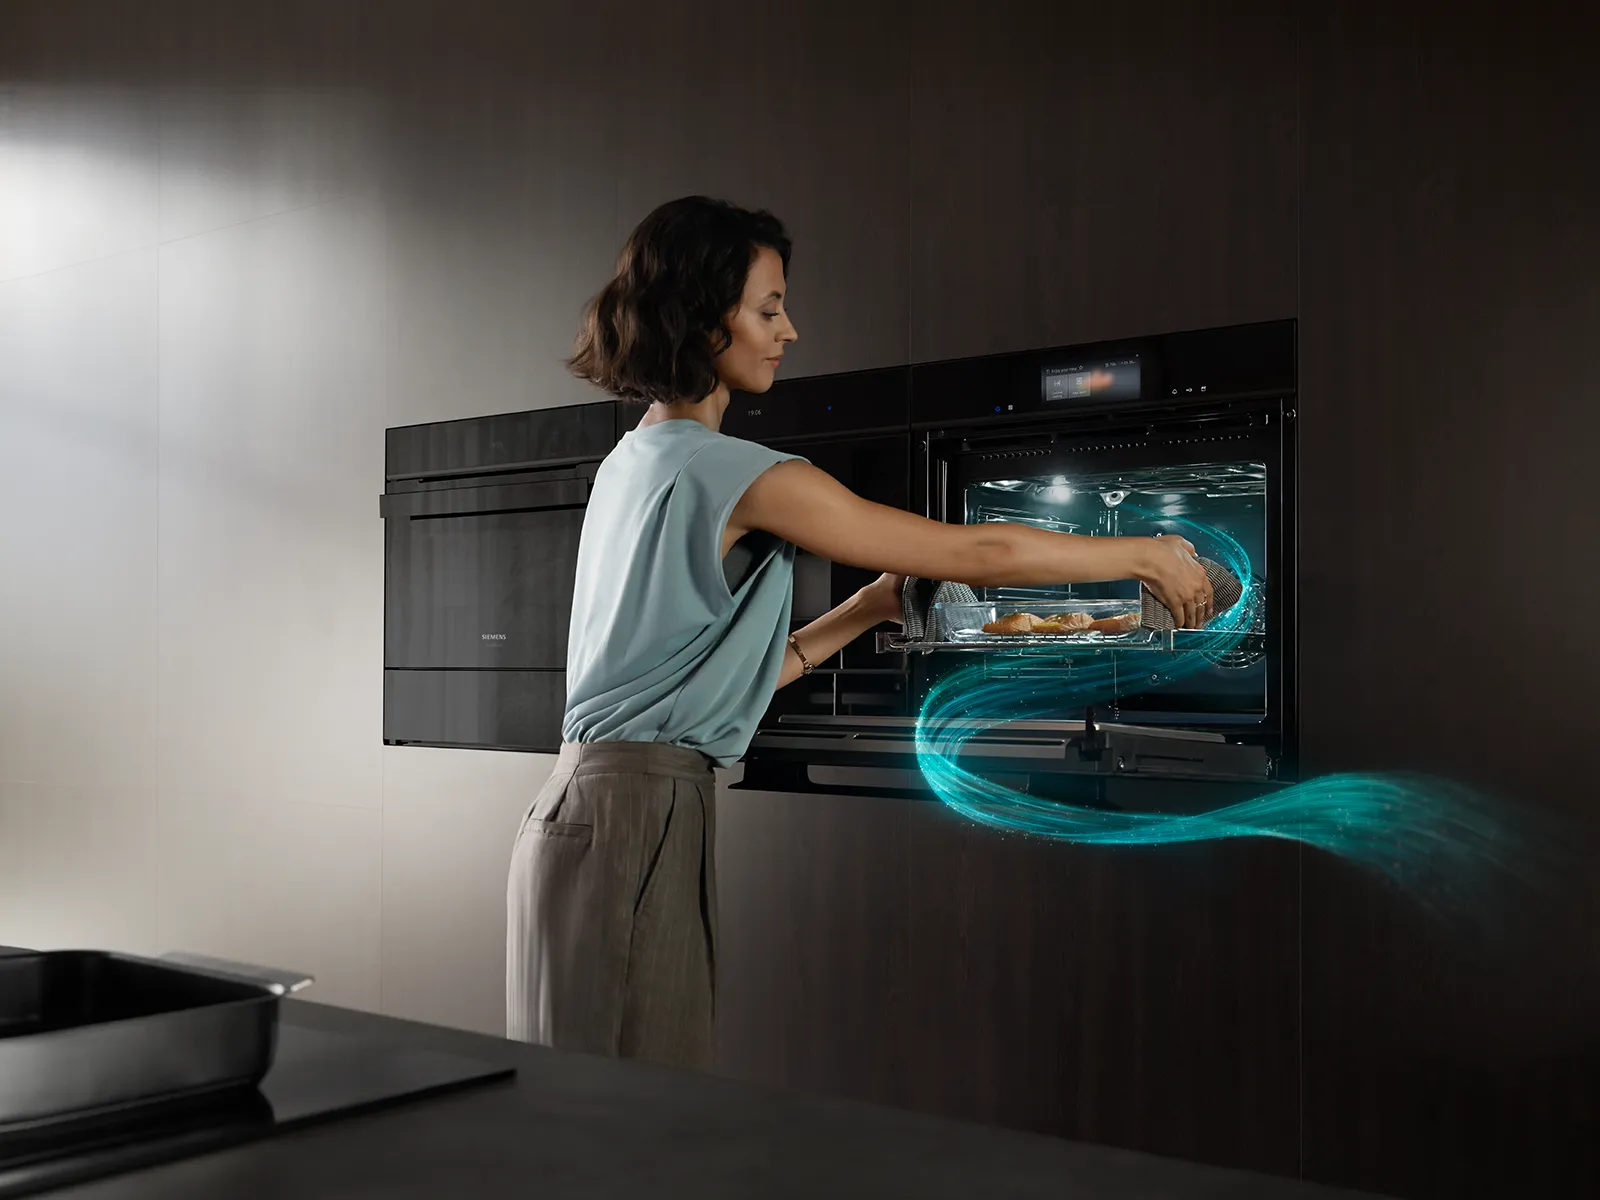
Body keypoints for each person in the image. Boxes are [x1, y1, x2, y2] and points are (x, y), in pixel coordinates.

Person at [505, 196, 1213, 1071]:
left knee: (580, 1120)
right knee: (633, 1128)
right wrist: (1139, 552)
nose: (789, 330)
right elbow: (977, 551)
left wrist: (871, 610)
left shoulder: (635, 460)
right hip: (634, 819)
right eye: (768, 308)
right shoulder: (735, 471)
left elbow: (710, 680)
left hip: (584, 812)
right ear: (700, 318)